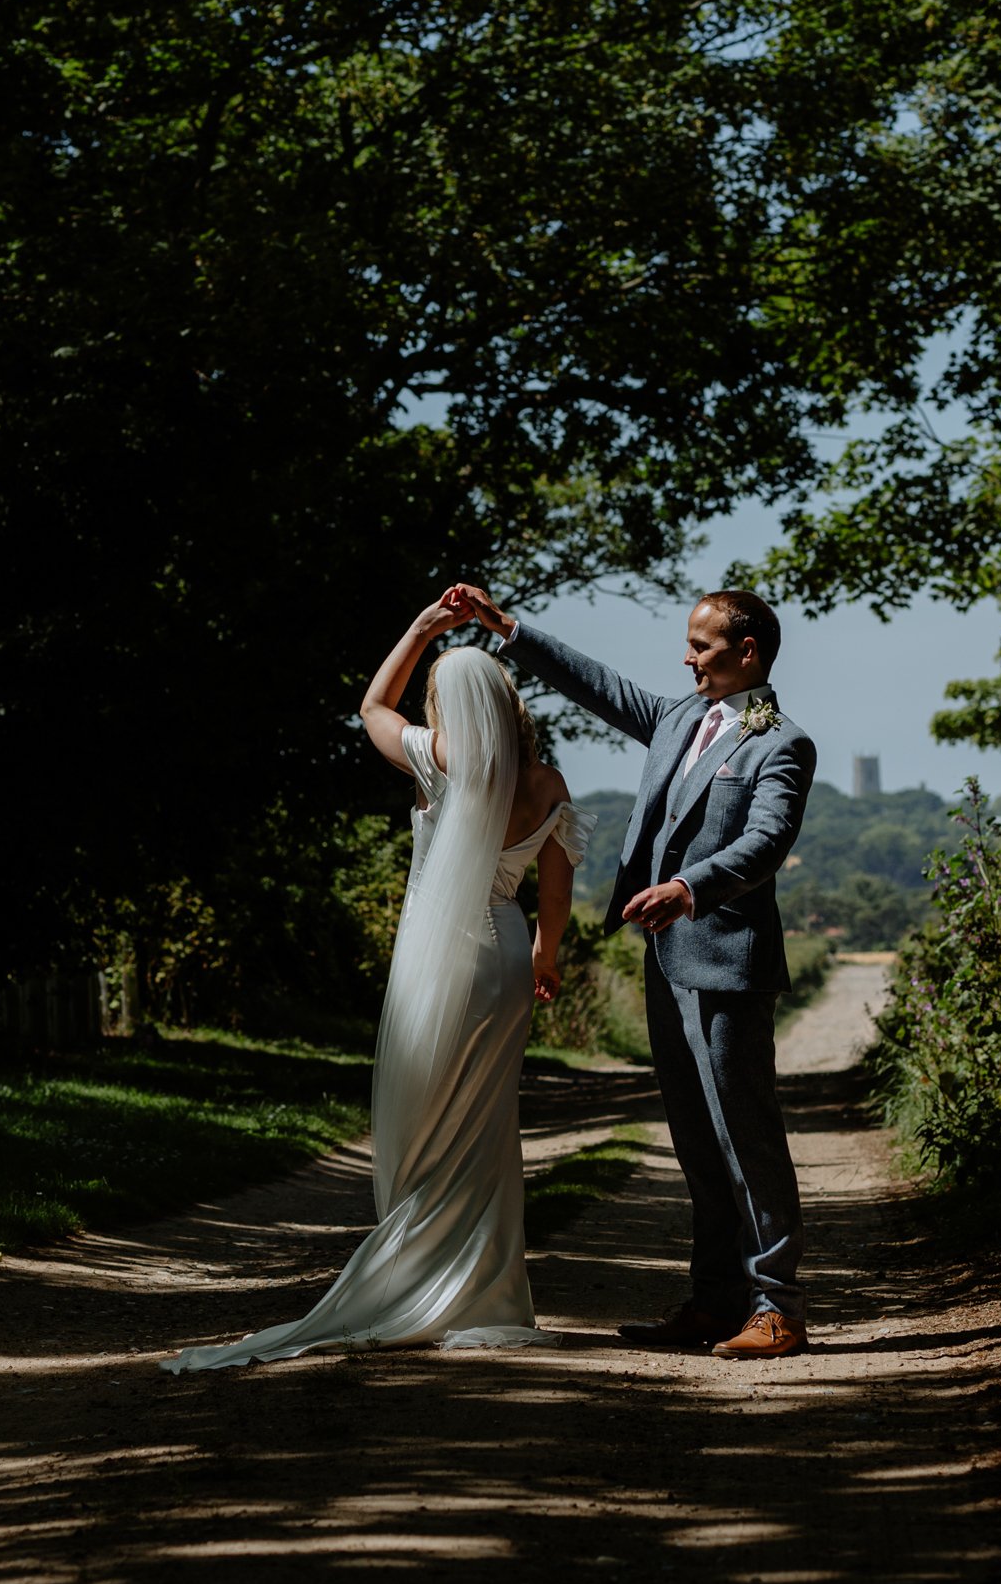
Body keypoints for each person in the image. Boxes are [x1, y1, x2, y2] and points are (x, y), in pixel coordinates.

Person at [161, 593, 589, 1372]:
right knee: (488, 1133)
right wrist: (545, 957)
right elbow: (553, 901)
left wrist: (425, 627)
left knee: (423, 1126)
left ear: (452, 706)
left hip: (440, 955)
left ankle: (415, 1275)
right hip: (502, 960)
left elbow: (369, 705)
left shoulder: (438, 757)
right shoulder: (547, 783)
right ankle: (485, 1295)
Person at [451, 583, 815, 1359]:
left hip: (726, 966)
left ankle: (776, 1306)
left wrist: (691, 887)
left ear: (746, 652)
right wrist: (510, 629)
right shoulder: (680, 717)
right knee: (695, 1142)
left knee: (743, 1137)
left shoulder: (780, 740)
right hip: (665, 962)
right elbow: (599, 685)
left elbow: (769, 839)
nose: (686, 657)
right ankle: (718, 1302)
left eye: (701, 645)